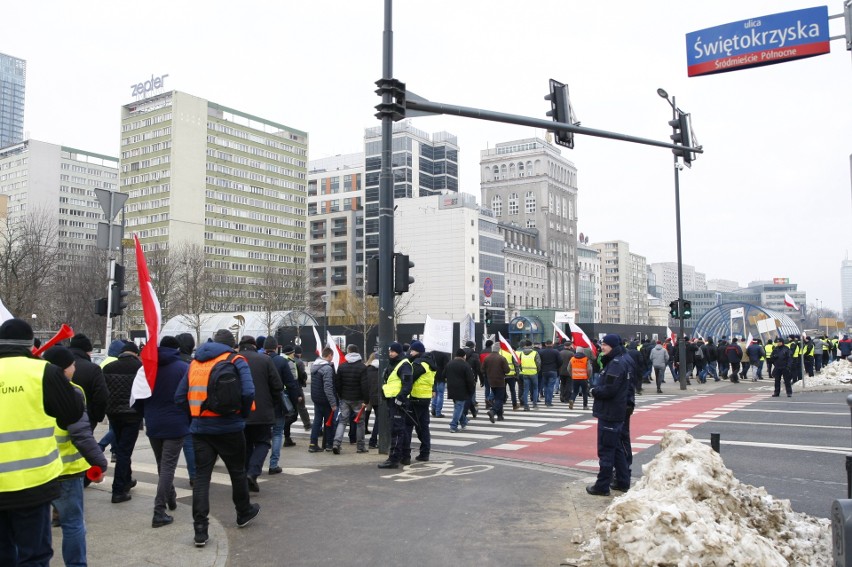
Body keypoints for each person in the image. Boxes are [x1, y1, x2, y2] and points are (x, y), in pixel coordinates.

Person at [0, 318, 84, 566]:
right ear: (30, 345)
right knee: (34, 555)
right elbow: (72, 412)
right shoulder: (43, 371)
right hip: (33, 483)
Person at [174, 329, 259, 548]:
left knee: (202, 478)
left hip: (201, 430)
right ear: (232, 345)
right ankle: (243, 512)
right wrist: (241, 415)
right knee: (238, 472)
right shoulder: (236, 360)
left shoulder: (195, 363)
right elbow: (249, 392)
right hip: (230, 427)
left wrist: (195, 416)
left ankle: (200, 530)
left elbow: (179, 397)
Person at [43, 346, 108, 566]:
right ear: (63, 368)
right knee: (73, 524)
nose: (75, 367)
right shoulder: (72, 391)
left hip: (39, 469)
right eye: (72, 364)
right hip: (67, 470)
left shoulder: (33, 390)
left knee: (39, 525)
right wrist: (99, 462)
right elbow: (81, 433)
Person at [133, 336, 189, 528]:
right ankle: (159, 510)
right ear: (176, 349)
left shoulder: (147, 368)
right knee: (168, 467)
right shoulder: (183, 368)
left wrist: (147, 415)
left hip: (154, 423)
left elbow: (137, 399)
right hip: (176, 423)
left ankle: (171, 497)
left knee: (162, 465)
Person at [585, 334, 631, 497]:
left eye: (604, 345)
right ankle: (623, 482)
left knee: (606, 450)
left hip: (610, 412)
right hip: (614, 411)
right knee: (616, 448)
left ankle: (602, 485)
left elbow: (609, 390)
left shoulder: (616, 364)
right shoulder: (617, 360)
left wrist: (593, 391)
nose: (601, 347)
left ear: (612, 346)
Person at [236, 336, 282, 493]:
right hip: (262, 410)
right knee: (263, 442)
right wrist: (273, 404)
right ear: (255, 345)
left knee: (246, 444)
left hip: (240, 411)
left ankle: (247, 475)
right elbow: (277, 386)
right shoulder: (265, 360)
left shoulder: (233, 360)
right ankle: (252, 473)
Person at [102, 342, 144, 504]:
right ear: (135, 353)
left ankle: (126, 479)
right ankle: (118, 490)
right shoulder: (140, 368)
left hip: (113, 413)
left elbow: (103, 391)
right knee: (124, 452)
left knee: (120, 447)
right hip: (132, 414)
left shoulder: (109, 367)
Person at [263, 336, 302, 473]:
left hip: (262, 404)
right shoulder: (281, 361)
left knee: (262, 435)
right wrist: (294, 400)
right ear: (276, 347)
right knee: (277, 433)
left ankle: (257, 463)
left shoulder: (259, 359)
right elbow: (291, 383)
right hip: (278, 402)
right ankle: (273, 464)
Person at [378, 342, 414, 469]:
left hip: (398, 402)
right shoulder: (395, 363)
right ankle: (405, 456)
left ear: (398, 352)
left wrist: (400, 398)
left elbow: (407, 384)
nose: (390, 353)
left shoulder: (403, 365)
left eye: (392, 351)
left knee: (397, 431)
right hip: (392, 400)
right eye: (389, 351)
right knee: (400, 430)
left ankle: (393, 459)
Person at [332, 345, 369, 454]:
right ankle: (360, 446)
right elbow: (365, 385)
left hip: (345, 398)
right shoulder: (362, 367)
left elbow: (337, 383)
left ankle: (336, 443)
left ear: (348, 352)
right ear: (358, 353)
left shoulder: (342, 366)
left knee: (342, 421)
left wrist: (340, 395)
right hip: (358, 399)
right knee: (360, 422)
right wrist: (366, 400)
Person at [405, 341, 436, 462]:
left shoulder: (419, 364)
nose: (410, 353)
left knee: (408, 426)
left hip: (415, 398)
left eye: (412, 351)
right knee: (423, 426)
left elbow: (409, 378)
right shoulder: (430, 363)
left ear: (417, 351)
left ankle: (405, 454)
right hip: (425, 398)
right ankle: (425, 453)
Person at [308, 347, 337, 453]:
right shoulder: (327, 368)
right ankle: (329, 444)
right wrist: (333, 403)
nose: (332, 358)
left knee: (317, 421)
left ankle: (313, 444)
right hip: (325, 400)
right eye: (332, 356)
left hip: (316, 398)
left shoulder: (315, 365)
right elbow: (328, 387)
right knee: (329, 422)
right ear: (329, 355)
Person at [444, 348, 476, 433]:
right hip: (462, 389)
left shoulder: (449, 364)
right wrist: (471, 390)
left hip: (451, 388)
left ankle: (463, 421)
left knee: (458, 406)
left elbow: (444, 375)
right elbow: (470, 380)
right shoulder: (465, 365)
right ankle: (453, 425)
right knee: (458, 407)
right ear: (463, 356)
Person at [285, 345, 312, 431]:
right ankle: (307, 424)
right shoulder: (299, 362)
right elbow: (302, 375)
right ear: (299, 353)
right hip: (297, 387)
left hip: (287, 387)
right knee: (301, 407)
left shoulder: (286, 360)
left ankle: (286, 429)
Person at [482, 343, 509, 422]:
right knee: (499, 399)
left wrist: (488, 374)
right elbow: (507, 370)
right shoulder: (502, 358)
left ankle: (500, 416)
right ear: (499, 350)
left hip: (491, 381)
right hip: (500, 381)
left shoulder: (487, 358)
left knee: (497, 398)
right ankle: (493, 411)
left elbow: (482, 369)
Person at [519, 340, 540, 411]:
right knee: (535, 389)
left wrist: (522, 370)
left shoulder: (522, 353)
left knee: (526, 390)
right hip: (533, 373)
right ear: (531, 345)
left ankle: (526, 405)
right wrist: (537, 370)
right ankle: (534, 404)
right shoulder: (535, 353)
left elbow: (519, 364)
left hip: (525, 373)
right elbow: (538, 363)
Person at [538, 340, 561, 407]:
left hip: (544, 371)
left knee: (545, 386)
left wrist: (542, 368)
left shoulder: (541, 352)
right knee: (550, 386)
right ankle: (549, 401)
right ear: (552, 344)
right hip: (553, 370)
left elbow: (539, 362)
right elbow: (560, 361)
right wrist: (556, 367)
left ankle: (546, 401)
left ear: (545, 344)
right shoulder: (555, 351)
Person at [365, 352, 381, 449]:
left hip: (369, 396)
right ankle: (373, 440)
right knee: (379, 419)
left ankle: (371, 440)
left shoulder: (367, 369)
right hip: (379, 397)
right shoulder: (383, 369)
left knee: (368, 415)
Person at [430, 350, 450, 418]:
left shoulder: (431, 353)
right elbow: (446, 367)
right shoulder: (444, 354)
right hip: (441, 376)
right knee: (440, 394)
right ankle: (438, 412)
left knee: (434, 392)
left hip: (432, 375)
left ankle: (433, 408)